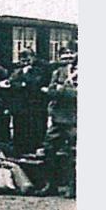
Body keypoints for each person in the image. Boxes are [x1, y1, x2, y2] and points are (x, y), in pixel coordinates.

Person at [37, 48, 78, 197]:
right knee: (49, 149)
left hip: (75, 119)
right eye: (66, 58)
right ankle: (51, 185)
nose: (69, 60)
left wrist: (61, 91)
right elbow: (50, 91)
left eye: (71, 57)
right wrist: (60, 91)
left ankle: (73, 187)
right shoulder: (59, 72)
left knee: (74, 154)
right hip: (57, 118)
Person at [3, 49, 49, 154]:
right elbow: (11, 83)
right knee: (20, 130)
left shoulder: (41, 70)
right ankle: (20, 151)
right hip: (20, 107)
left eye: (28, 60)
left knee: (35, 131)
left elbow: (35, 84)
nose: (25, 63)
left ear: (34, 58)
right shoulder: (16, 71)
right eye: (23, 60)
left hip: (35, 106)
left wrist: (22, 80)